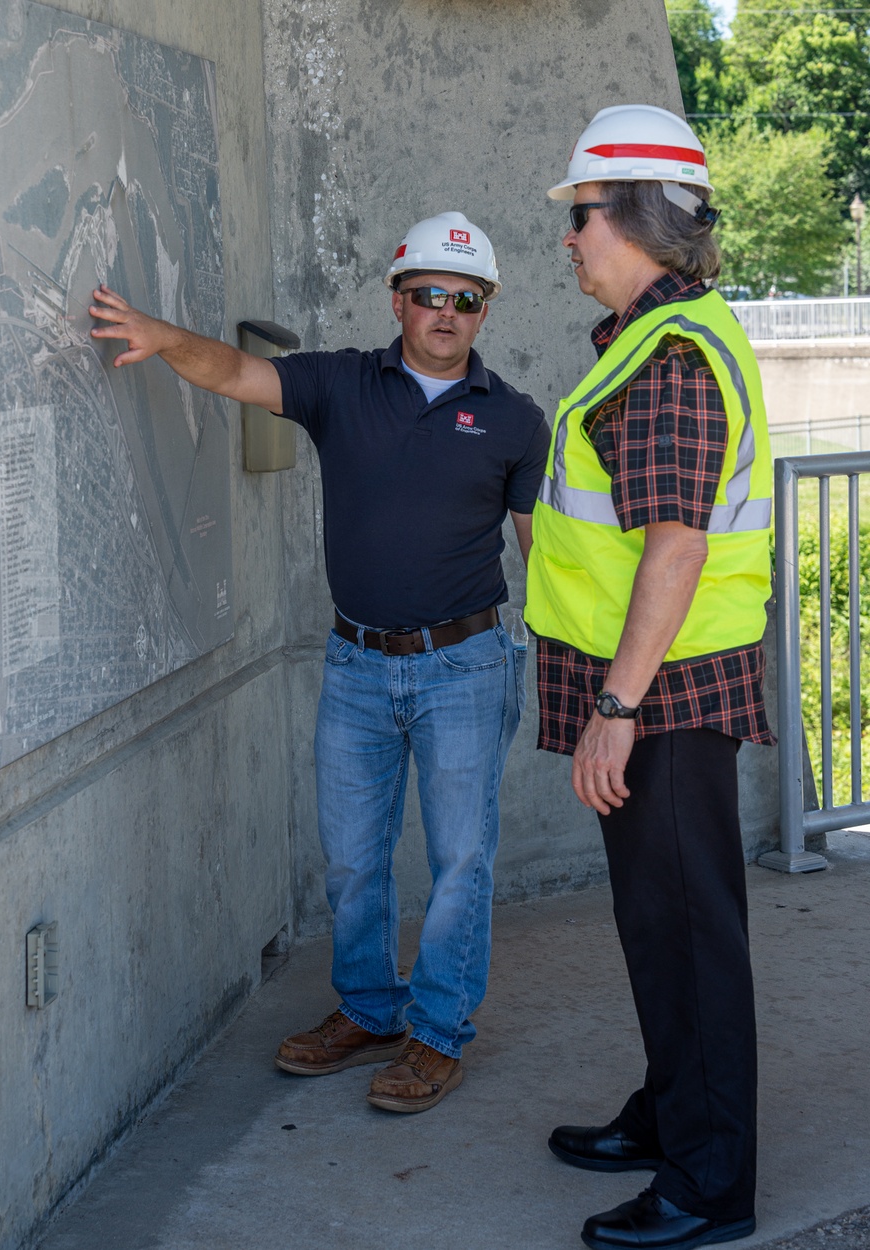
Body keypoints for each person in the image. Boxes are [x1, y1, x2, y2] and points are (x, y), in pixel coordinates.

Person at [90, 211, 549, 1113]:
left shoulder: (514, 421)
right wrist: (157, 334)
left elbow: (544, 551)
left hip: (467, 667)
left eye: (466, 299)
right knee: (351, 859)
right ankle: (370, 1012)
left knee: (461, 860)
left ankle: (438, 1034)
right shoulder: (342, 384)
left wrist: (592, 665)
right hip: (357, 668)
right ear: (399, 298)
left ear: (484, 311)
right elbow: (234, 371)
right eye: (429, 295)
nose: (447, 312)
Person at [524, 106, 774, 1249]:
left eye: (577, 217)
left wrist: (612, 710)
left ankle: (708, 1180)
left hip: (663, 698)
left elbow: (674, 545)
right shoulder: (654, 336)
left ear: (628, 215)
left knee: (685, 932)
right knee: (657, 925)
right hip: (655, 689)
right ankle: (674, 1112)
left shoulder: (669, 356)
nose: (568, 240)